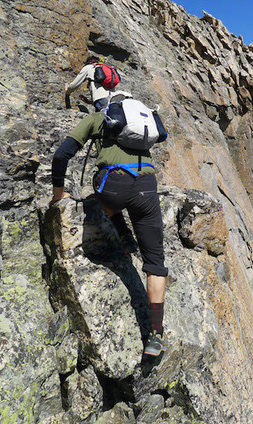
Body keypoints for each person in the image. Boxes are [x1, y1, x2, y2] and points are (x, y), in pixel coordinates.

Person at [50, 109, 167, 357]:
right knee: (155, 263)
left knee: (100, 195)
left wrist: (58, 194)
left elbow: (62, 155)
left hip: (113, 187)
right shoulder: (142, 122)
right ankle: (156, 334)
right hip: (147, 187)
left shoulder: (97, 118)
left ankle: (123, 236)